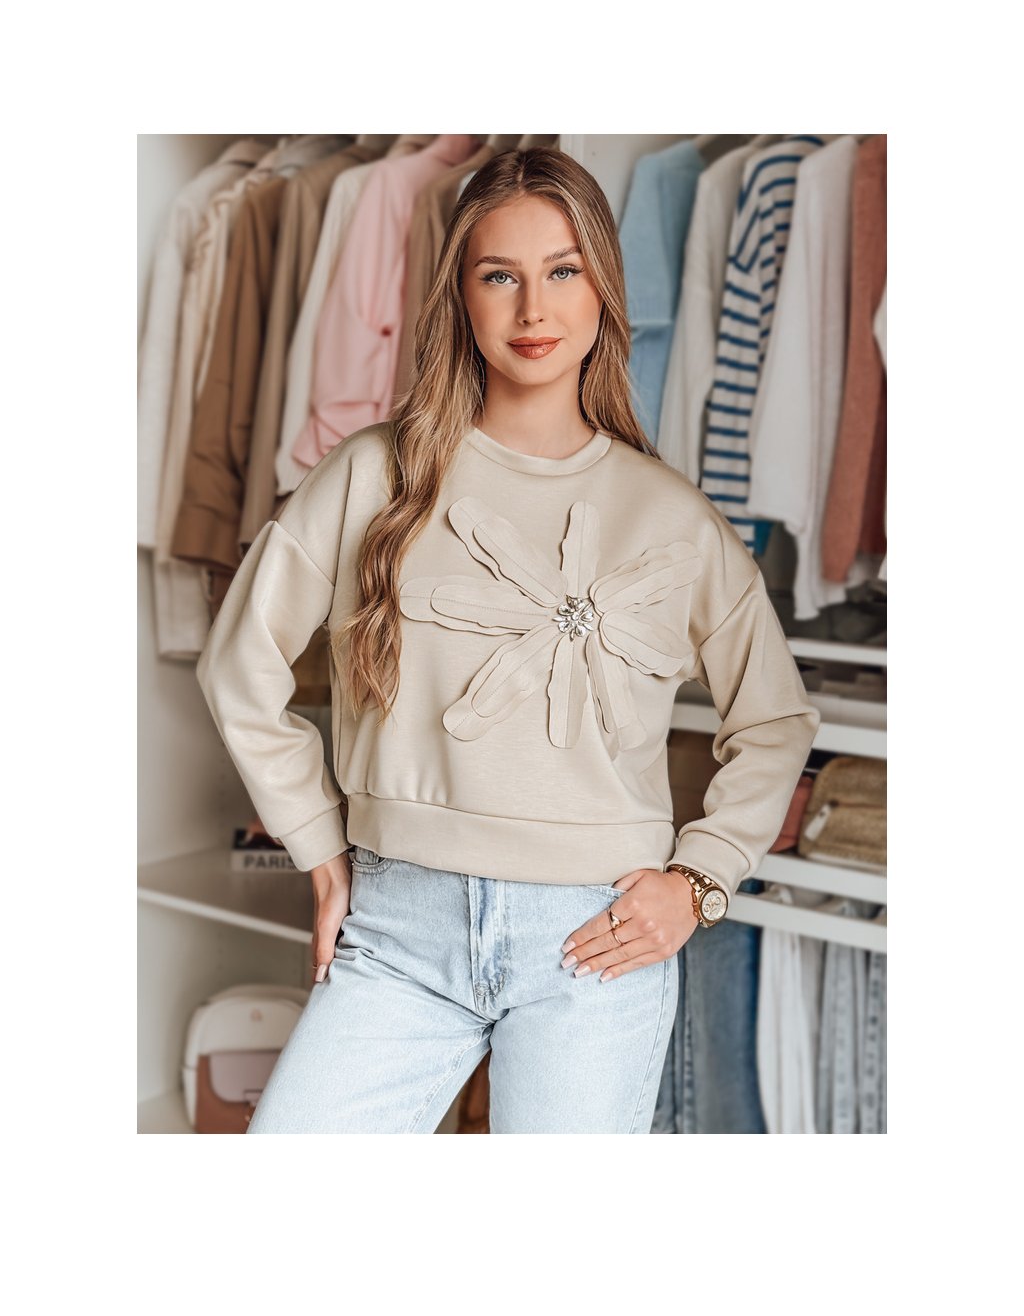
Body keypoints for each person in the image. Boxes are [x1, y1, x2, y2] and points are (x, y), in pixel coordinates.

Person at [196, 146, 821, 1133]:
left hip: (594, 940)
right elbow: (240, 663)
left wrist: (700, 880)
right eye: (500, 276)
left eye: (562, 271)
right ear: (461, 294)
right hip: (397, 928)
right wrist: (317, 844)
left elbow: (776, 719)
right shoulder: (373, 474)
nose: (533, 309)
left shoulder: (672, 516)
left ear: (603, 289)